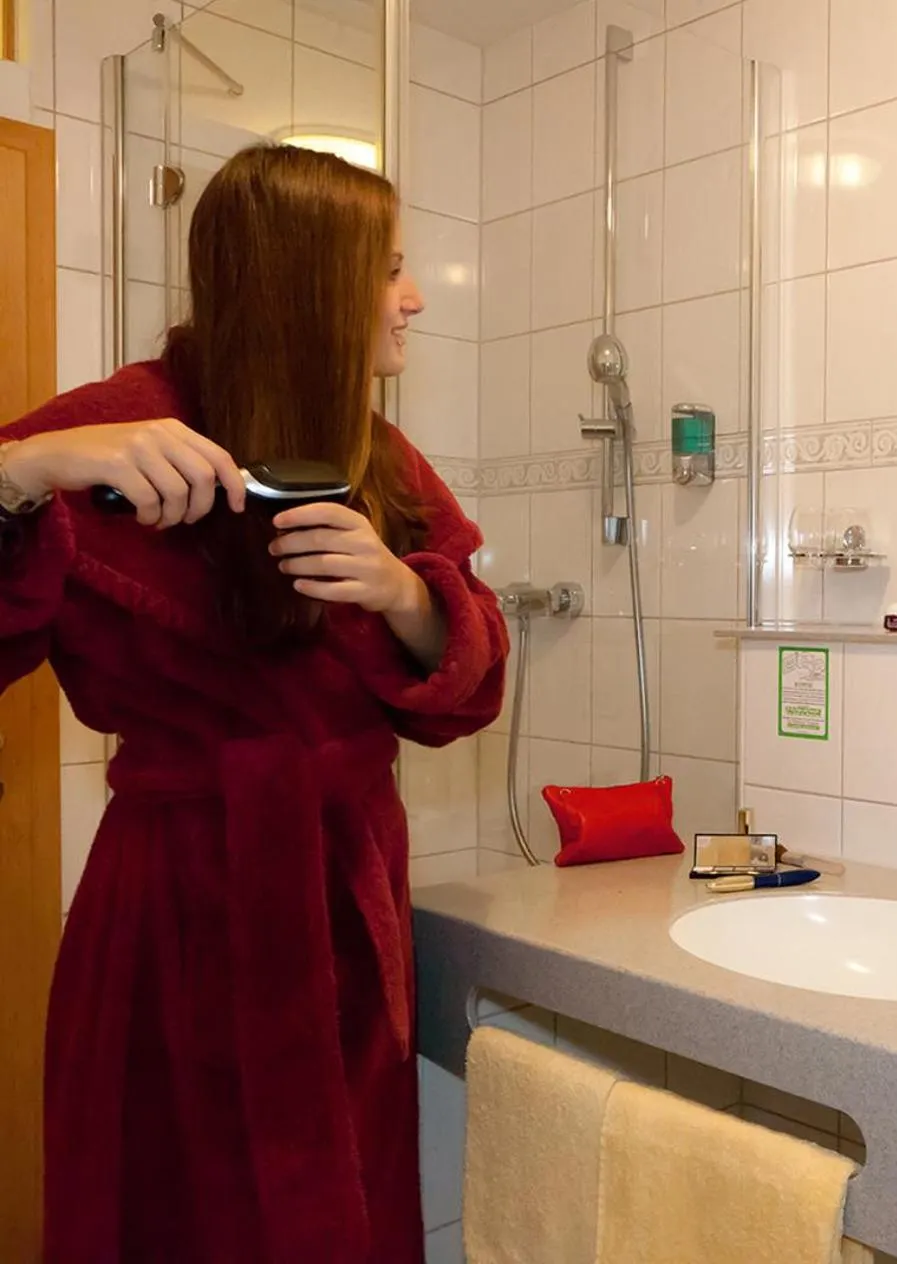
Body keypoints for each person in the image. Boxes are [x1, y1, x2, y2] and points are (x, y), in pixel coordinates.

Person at [0, 145, 507, 1262]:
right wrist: (28, 467)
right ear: (305, 281)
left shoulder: (379, 455)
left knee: (342, 1198)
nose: (413, 297)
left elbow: (471, 669)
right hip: (176, 897)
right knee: (176, 1200)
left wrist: (404, 597)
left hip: (340, 891)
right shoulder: (116, 425)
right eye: (389, 270)